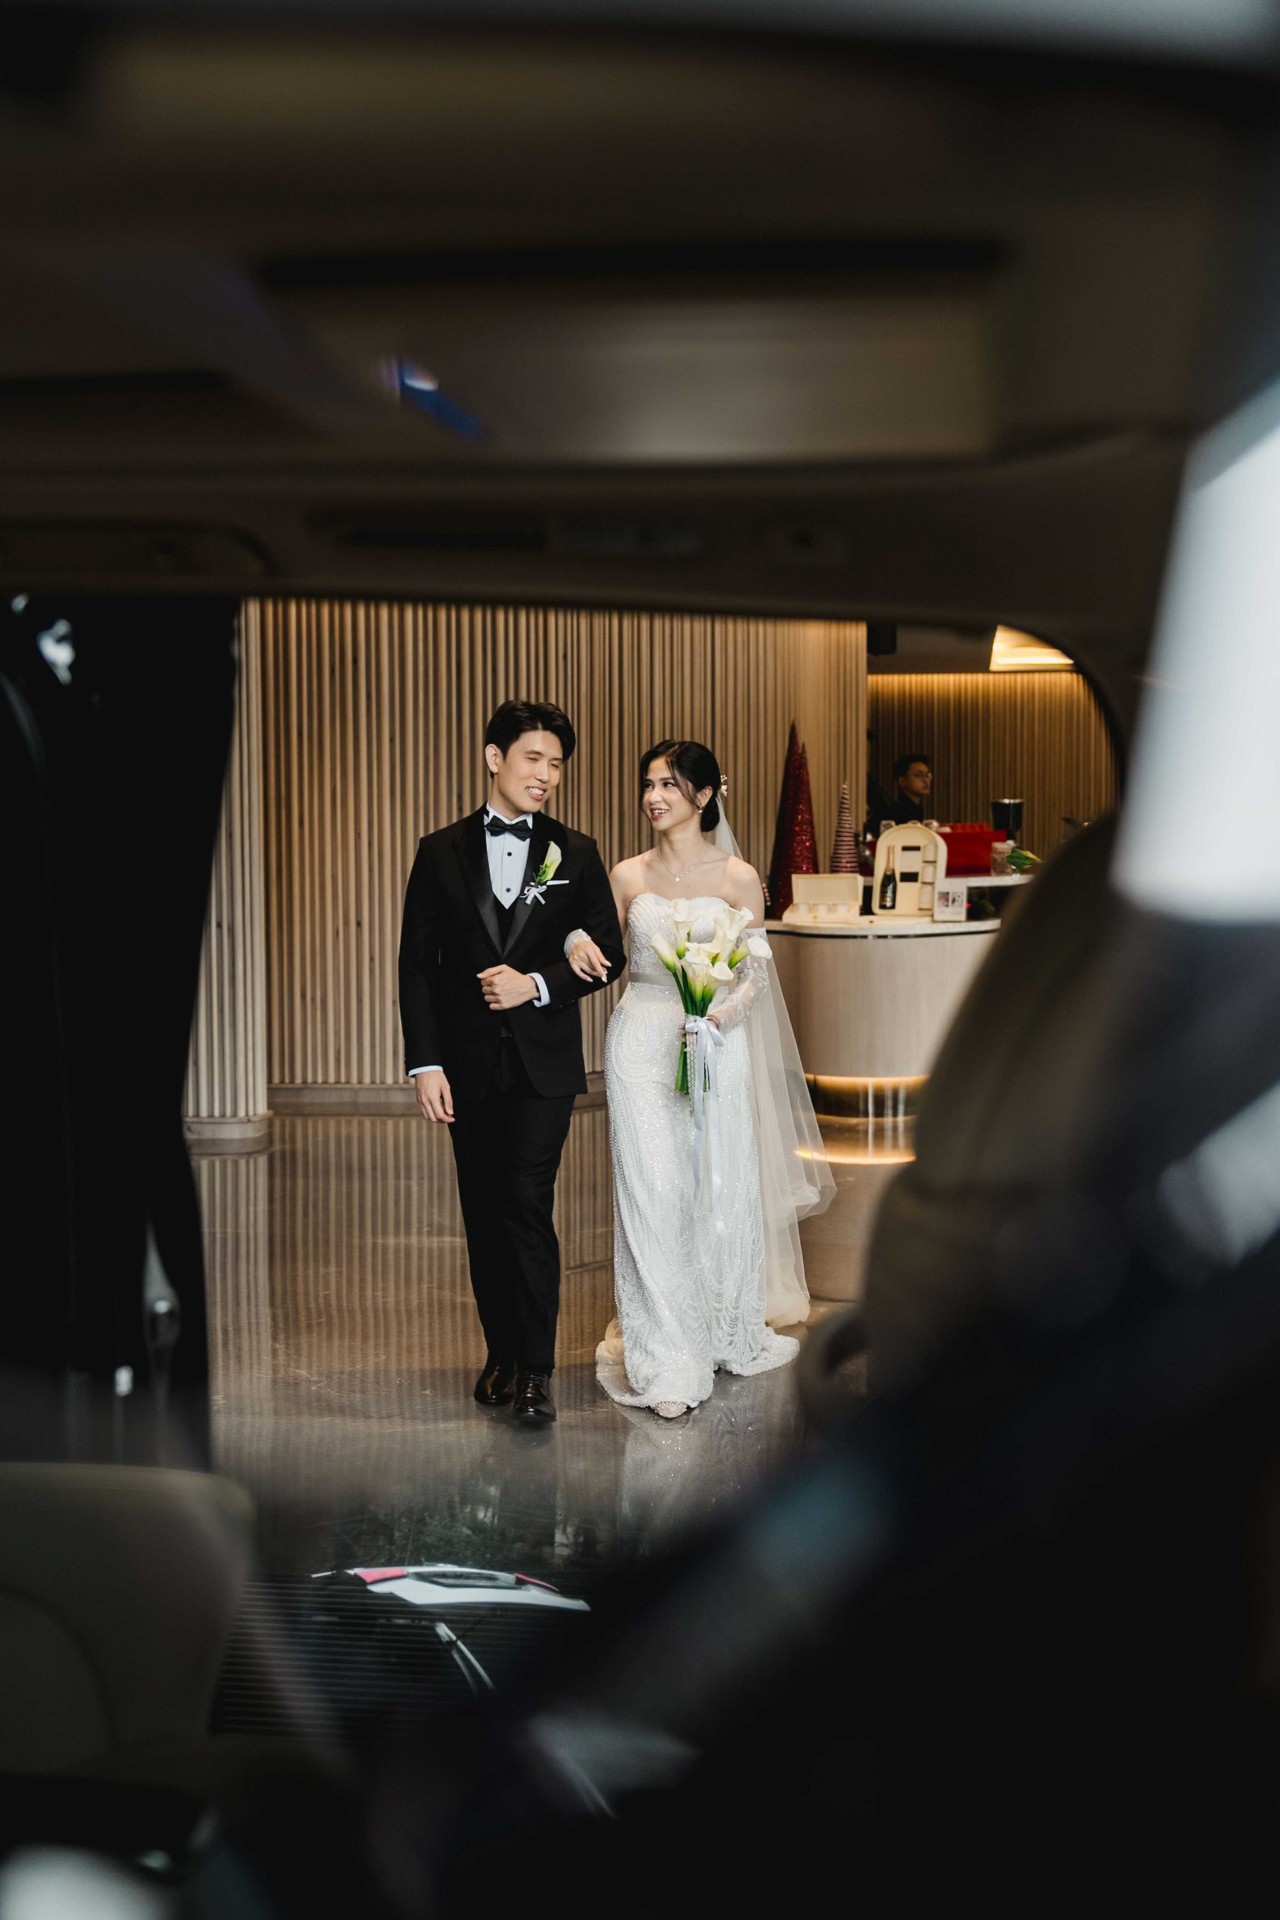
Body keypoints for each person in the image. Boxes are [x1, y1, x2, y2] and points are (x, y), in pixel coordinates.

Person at [566, 739, 834, 1420]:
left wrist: (719, 1017)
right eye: (648, 784)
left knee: (714, 1187)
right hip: (640, 1042)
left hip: (715, 1044)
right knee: (652, 1192)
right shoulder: (626, 874)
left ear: (705, 795)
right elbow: (595, 943)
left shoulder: (738, 878)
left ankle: (717, 1328)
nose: (654, 797)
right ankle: (667, 1356)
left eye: (669, 785)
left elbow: (755, 973)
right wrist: (572, 941)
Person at [398, 699, 625, 1425]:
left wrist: (538, 985)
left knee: (525, 1203)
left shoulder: (575, 852)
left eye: (557, 764)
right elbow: (418, 967)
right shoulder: (439, 851)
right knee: (482, 1209)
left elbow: (609, 954)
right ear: (495, 758)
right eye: (534, 758)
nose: (546, 775)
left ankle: (535, 1370)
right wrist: (425, 1065)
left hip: (542, 1068)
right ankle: (499, 1350)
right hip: (465, 1066)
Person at [885, 752, 934, 825]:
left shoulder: (916, 808)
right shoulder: (897, 812)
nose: (926, 780)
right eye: (918, 775)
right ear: (902, 781)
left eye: (927, 775)